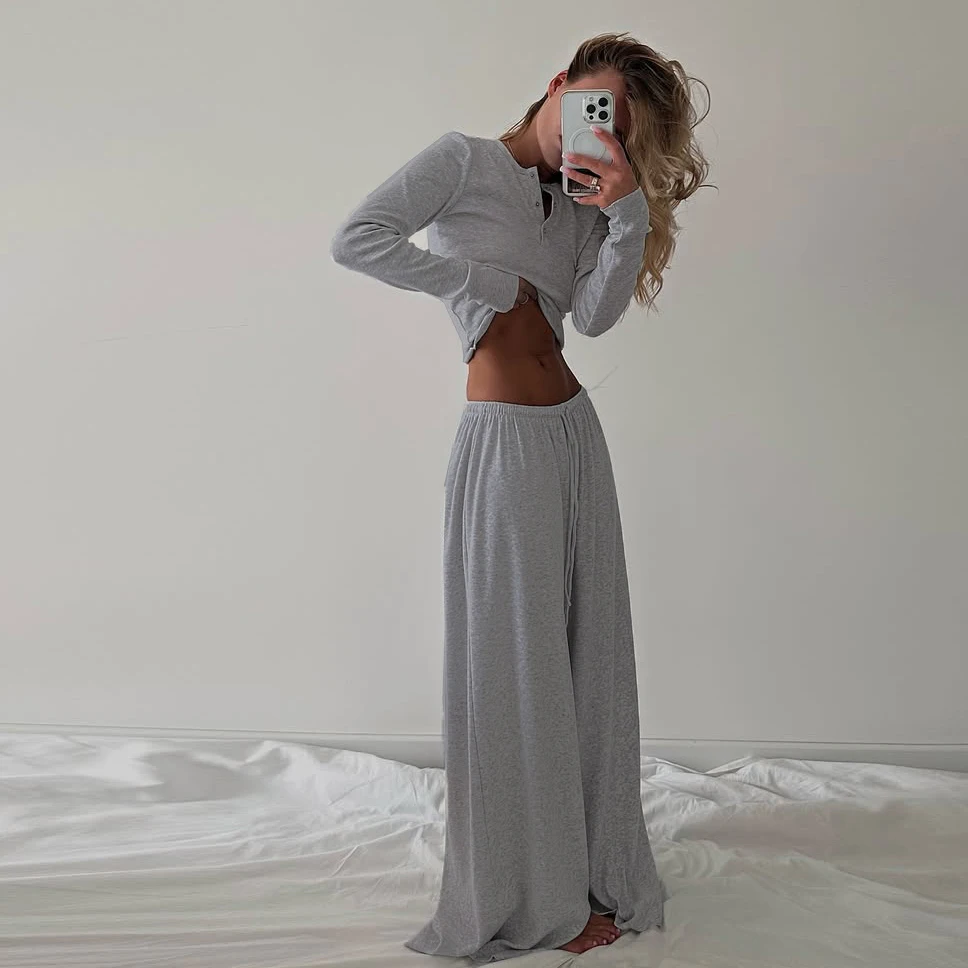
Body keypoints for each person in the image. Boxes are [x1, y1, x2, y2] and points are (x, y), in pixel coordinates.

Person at [330, 31, 711, 964]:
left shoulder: (584, 196)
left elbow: (594, 316)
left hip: (576, 437)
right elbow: (358, 239)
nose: (596, 129)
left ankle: (596, 868)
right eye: (592, 105)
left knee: (591, 662)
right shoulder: (460, 163)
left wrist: (624, 209)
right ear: (557, 84)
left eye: (616, 126)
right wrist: (478, 281)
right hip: (502, 444)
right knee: (518, 671)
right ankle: (533, 892)